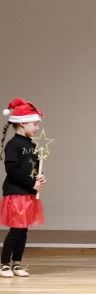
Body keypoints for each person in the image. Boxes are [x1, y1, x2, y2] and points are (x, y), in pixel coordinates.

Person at [0, 98, 46, 278]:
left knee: (23, 230)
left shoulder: (33, 145)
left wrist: (39, 177)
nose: (37, 128)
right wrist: (31, 183)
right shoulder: (13, 145)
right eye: (34, 124)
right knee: (16, 229)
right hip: (16, 192)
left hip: (28, 193)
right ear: (22, 123)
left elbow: (33, 168)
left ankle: (17, 263)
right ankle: (4, 264)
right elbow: (11, 170)